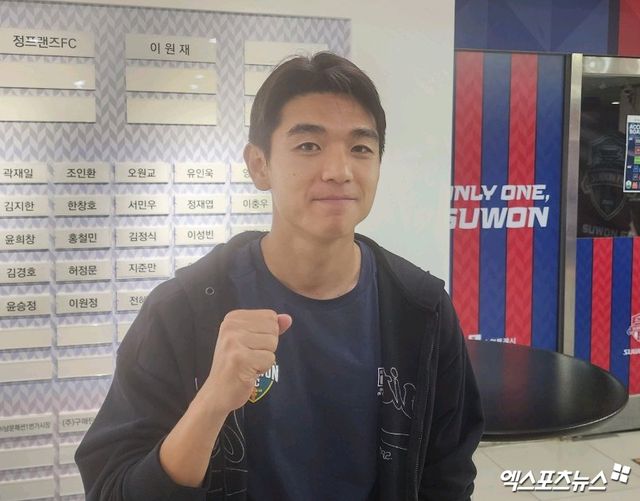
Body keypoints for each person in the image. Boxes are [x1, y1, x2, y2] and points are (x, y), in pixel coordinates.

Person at [75, 52, 484, 500]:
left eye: (360, 148)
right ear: (259, 165)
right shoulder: (182, 311)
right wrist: (211, 402)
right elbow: (112, 489)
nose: (339, 171)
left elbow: (447, 477)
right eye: (308, 145)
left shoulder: (421, 310)